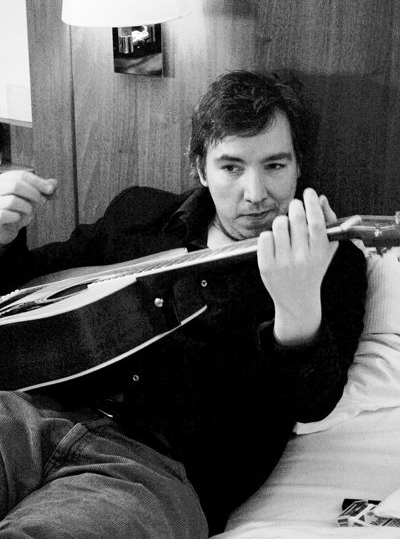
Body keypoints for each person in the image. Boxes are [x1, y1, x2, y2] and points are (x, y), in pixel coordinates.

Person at [0, 70, 367, 538]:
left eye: (275, 165)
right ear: (200, 168)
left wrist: (296, 308)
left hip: (150, 473)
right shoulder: (139, 212)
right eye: (231, 167)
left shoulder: (331, 261)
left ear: (298, 166)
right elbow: (23, 294)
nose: (256, 193)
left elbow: (314, 402)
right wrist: (3, 238)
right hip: (29, 414)